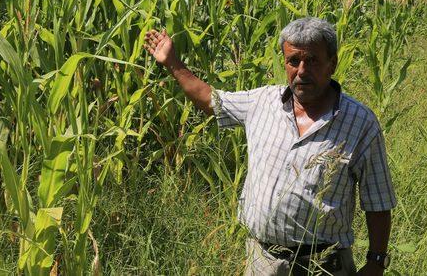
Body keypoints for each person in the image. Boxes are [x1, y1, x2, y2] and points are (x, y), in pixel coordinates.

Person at [143, 17, 396, 276]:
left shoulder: (360, 123)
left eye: (312, 60)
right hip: (263, 262)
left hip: (323, 265)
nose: (301, 70)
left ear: (332, 64)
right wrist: (172, 62)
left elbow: (378, 200)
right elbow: (211, 100)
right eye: (293, 61)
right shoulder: (262, 103)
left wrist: (376, 263)